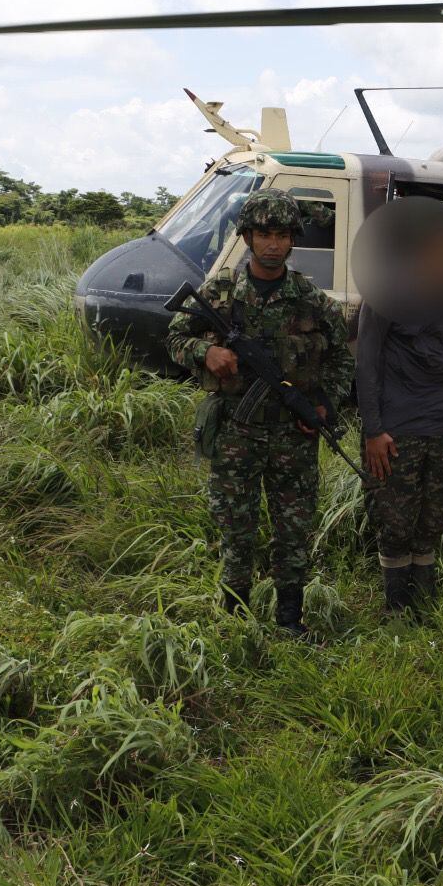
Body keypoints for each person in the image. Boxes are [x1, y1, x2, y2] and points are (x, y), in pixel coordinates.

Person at [165, 188, 354, 635]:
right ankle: (233, 620)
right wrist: (203, 354)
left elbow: (343, 358)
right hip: (236, 434)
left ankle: (290, 619)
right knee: (236, 531)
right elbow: (174, 337)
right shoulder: (220, 293)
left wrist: (324, 405)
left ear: (293, 240)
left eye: (282, 235)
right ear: (248, 237)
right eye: (264, 234)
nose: (273, 244)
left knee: (294, 532)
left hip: (293, 435)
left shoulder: (309, 298)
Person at [357, 244, 443, 614]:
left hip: (441, 424)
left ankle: (423, 603)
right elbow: (366, 364)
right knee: (394, 518)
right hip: (396, 428)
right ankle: (396, 608)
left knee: (434, 514)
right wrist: (373, 431)